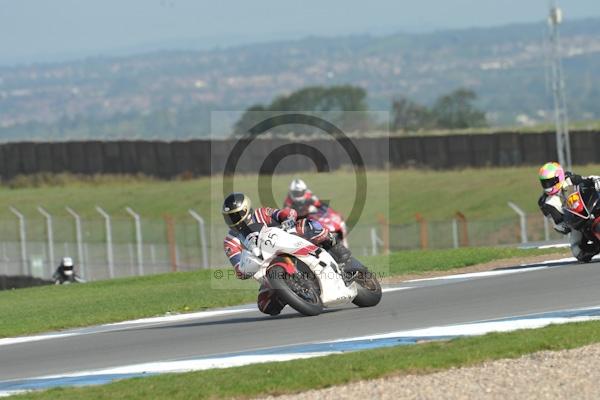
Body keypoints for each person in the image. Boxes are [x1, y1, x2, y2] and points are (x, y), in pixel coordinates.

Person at [222, 192, 351, 315]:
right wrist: (243, 270)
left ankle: (334, 246)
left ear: (247, 210)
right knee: (265, 305)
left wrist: (288, 218)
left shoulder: (262, 214)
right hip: (265, 268)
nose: (234, 220)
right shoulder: (230, 242)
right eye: (229, 217)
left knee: (305, 224)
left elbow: (284, 213)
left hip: (288, 242)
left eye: (236, 215)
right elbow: (238, 267)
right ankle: (292, 292)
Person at [537, 161, 600, 261]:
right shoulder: (546, 203)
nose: (547, 185)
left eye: (550, 181)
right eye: (544, 182)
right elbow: (557, 224)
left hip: (586, 208)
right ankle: (597, 247)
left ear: (559, 177)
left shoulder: (569, 178)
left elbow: (586, 181)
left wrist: (594, 180)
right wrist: (565, 225)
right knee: (578, 252)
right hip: (573, 222)